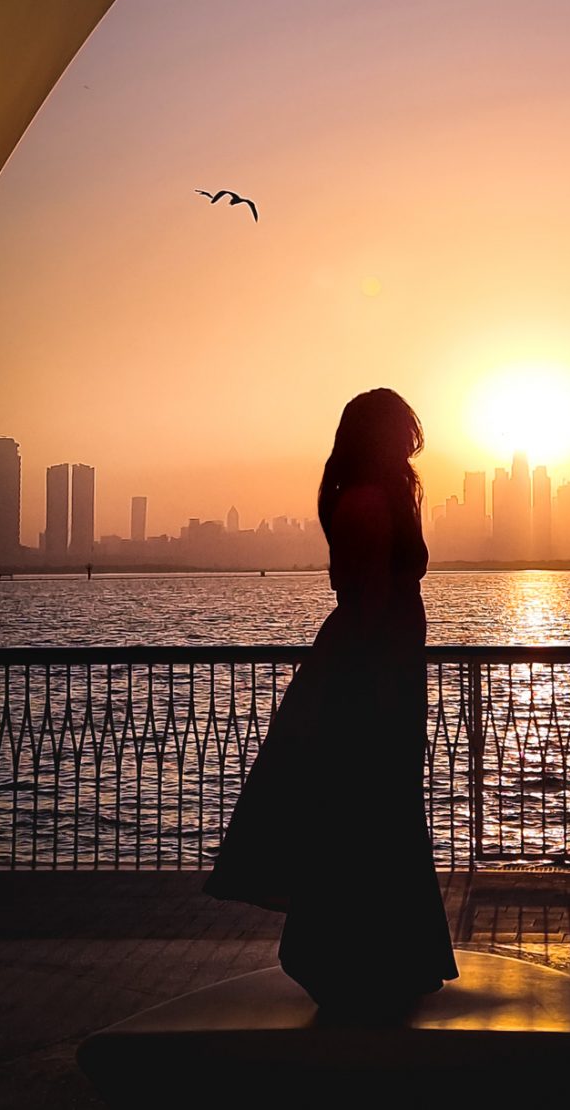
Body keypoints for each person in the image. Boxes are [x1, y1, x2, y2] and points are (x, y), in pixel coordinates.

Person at [203, 388, 459, 1016]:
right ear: (380, 440)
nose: (409, 448)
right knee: (371, 816)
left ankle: (372, 959)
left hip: (381, 673)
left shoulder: (375, 500)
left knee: (371, 816)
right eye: (400, 436)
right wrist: (379, 689)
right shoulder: (368, 505)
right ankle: (369, 960)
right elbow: (368, 601)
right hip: (370, 677)